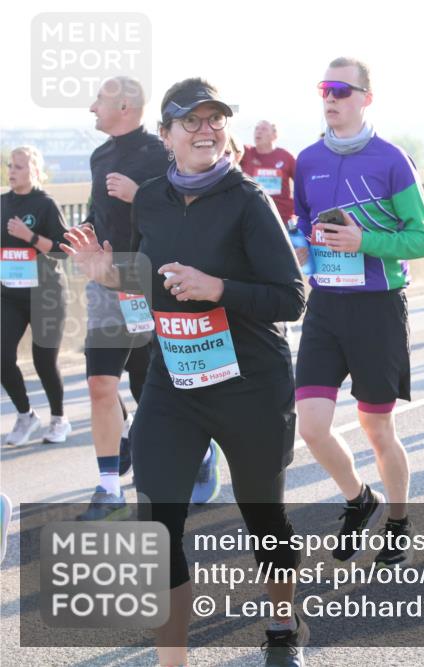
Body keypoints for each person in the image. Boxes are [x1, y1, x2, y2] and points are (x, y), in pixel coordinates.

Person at [62, 77, 308, 667]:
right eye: (190, 122)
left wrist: (217, 288)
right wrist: (107, 273)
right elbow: (152, 279)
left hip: (249, 384)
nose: (205, 129)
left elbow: (292, 297)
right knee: (159, 517)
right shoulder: (149, 199)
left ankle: (282, 625)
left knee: (263, 514)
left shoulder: (249, 201)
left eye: (214, 120)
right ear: (167, 135)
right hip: (175, 383)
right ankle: (172, 659)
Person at [293, 57, 424, 568]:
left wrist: (364, 239)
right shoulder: (307, 159)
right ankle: (359, 498)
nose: (330, 98)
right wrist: (301, 247)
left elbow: (421, 239)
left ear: (365, 98)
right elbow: (303, 222)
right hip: (326, 305)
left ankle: (397, 520)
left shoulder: (391, 159)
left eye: (341, 90)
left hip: (378, 307)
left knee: (377, 429)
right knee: (311, 427)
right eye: (323, 89)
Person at [79, 76, 170, 518]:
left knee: (147, 389)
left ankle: (198, 455)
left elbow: (180, 212)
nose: (91, 106)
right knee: (100, 384)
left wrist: (141, 196)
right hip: (104, 282)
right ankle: (109, 487)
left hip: (146, 284)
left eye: (99, 99)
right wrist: (85, 238)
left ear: (125, 106)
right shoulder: (99, 155)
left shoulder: (159, 153)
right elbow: (99, 213)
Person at [2, 146, 72, 445]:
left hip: (46, 294)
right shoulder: (3, 203)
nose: (12, 170)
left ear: (34, 171)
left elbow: (62, 250)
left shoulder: (45, 204)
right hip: (9, 294)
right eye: (10, 165)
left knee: (43, 361)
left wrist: (28, 236)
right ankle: (26, 415)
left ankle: (59, 419)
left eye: (19, 166)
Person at [241, 120, 297, 230]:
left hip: (283, 220)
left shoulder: (286, 156)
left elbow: (302, 186)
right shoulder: (245, 153)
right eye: (257, 129)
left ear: (274, 135)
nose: (258, 132)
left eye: (264, 129)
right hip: (253, 219)